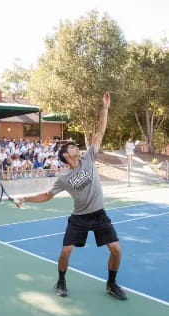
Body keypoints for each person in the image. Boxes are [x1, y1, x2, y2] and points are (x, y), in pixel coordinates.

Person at [15, 92, 127, 300]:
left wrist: (105, 109)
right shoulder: (64, 177)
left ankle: (111, 284)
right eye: (73, 146)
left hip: (100, 215)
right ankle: (61, 280)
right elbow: (47, 195)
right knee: (66, 251)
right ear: (67, 155)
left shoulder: (89, 159)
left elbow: (99, 133)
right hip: (80, 219)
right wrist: (25, 198)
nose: (77, 147)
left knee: (117, 250)